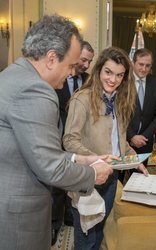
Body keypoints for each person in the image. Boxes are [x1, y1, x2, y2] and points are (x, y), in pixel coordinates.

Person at [0, 15, 113, 250]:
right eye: (71, 65)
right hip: (18, 216)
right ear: (51, 58)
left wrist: (78, 158)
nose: (72, 73)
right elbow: (50, 167)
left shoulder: (12, 74)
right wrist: (93, 175)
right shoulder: (34, 89)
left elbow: (33, 148)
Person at [63, 46, 148, 250]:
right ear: (99, 70)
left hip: (111, 179)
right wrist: (98, 159)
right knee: (86, 238)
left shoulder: (120, 100)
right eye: (108, 72)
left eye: (119, 75)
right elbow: (69, 141)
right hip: (87, 179)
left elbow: (120, 142)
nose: (113, 79)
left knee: (99, 231)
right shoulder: (81, 99)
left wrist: (135, 159)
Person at [51, 40, 95, 244]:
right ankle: (54, 222)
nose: (86, 65)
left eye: (89, 62)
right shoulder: (56, 79)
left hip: (79, 140)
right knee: (57, 183)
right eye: (84, 60)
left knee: (75, 179)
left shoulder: (88, 80)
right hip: (58, 136)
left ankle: (70, 215)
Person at [127, 48, 156, 166]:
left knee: (140, 173)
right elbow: (117, 114)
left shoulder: (155, 83)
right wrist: (132, 136)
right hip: (124, 139)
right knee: (120, 176)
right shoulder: (123, 81)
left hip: (145, 141)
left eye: (148, 65)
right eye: (141, 64)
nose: (144, 69)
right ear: (133, 63)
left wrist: (145, 136)